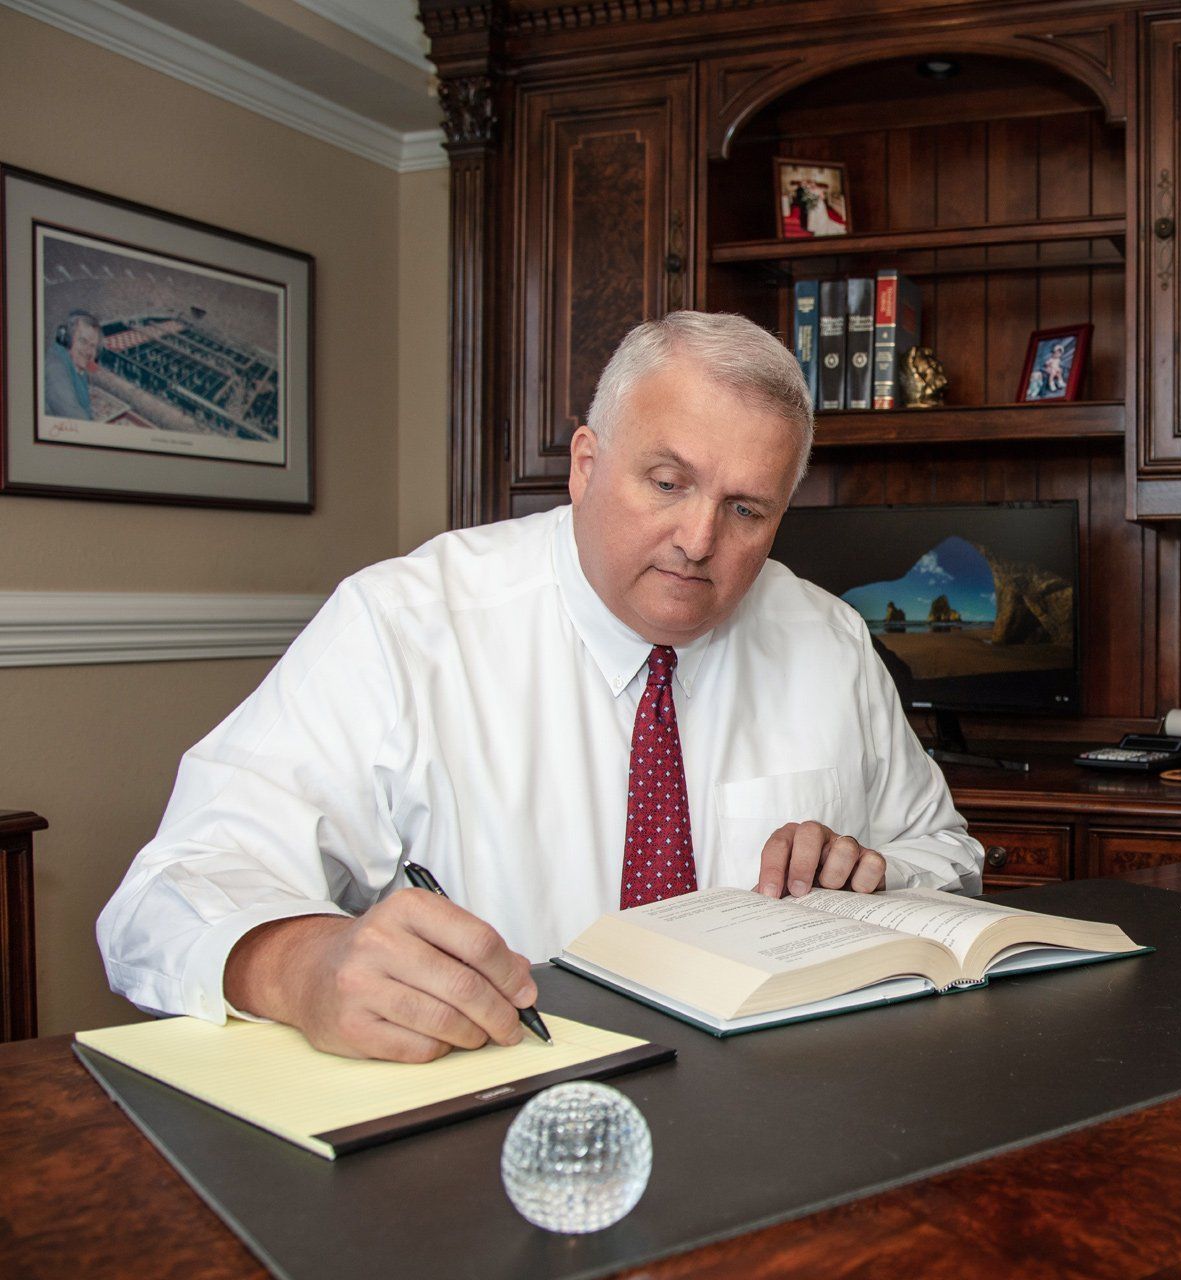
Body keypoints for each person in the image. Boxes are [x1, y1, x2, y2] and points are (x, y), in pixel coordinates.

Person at [97, 311, 983, 1063]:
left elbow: (946, 854)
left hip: (775, 1105)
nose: (699, 539)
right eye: (667, 483)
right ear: (586, 463)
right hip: (497, 1107)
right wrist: (302, 968)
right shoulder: (404, 624)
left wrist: (874, 871)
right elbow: (166, 894)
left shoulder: (828, 638)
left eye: (746, 510)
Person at [44, 309, 103, 421]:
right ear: (68, 340)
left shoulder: (75, 364)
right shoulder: (55, 370)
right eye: (83, 341)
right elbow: (78, 420)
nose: (88, 351)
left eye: (92, 346)